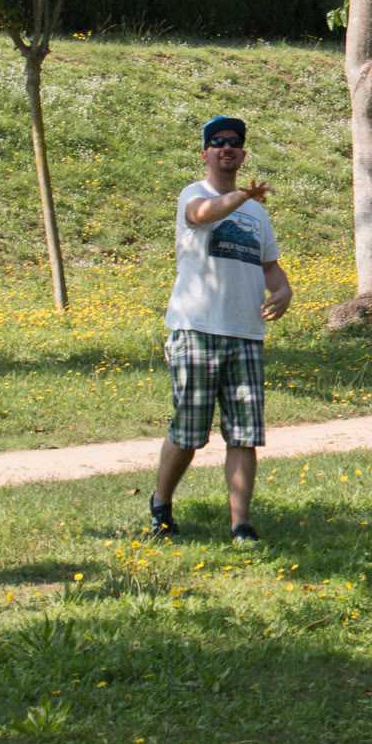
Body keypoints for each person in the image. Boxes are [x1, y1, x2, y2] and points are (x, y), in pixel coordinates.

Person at [149, 115, 293, 542]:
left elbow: (270, 265)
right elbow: (203, 214)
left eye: (234, 142)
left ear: (243, 154)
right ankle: (161, 504)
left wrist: (284, 289)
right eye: (217, 142)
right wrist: (242, 195)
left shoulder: (257, 213)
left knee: (244, 435)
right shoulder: (193, 194)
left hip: (246, 333)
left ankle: (240, 525)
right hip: (196, 329)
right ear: (205, 154)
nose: (226, 147)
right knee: (190, 432)